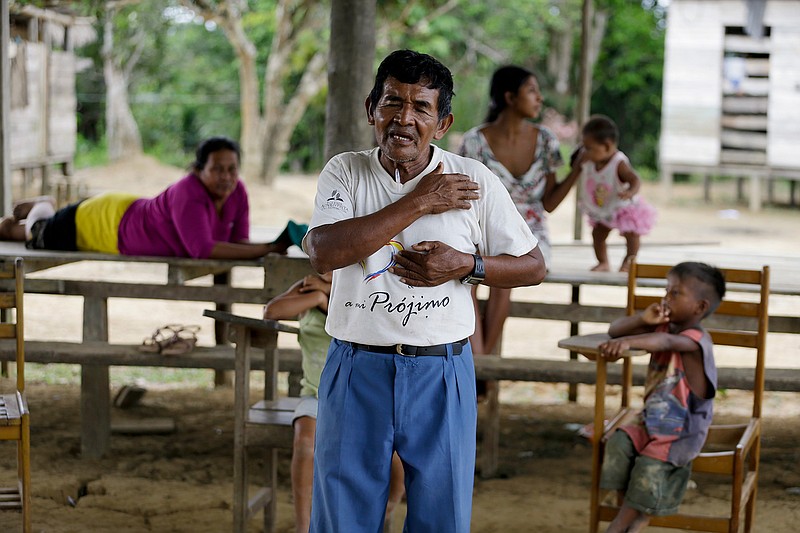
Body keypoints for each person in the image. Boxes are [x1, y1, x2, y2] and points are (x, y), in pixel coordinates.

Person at [303, 49, 546, 532]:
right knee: (342, 517)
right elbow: (324, 252)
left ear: (443, 123)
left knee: (441, 516)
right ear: (371, 107)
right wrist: (420, 202)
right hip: (356, 366)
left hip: (442, 370)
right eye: (393, 102)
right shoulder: (346, 172)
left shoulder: (474, 180)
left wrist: (467, 265)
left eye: (421, 108)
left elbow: (533, 265)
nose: (404, 119)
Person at [262, 271, 405, 533]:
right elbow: (272, 311)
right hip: (316, 394)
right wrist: (315, 295)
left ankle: (387, 509)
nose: (328, 269)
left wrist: (328, 299)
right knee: (305, 443)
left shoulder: (367, 287)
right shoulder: (307, 287)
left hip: (362, 395)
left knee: (395, 449)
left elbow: (370, 325)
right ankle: (303, 525)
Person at [0, 136, 304, 259]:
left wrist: (269, 246)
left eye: (232, 169)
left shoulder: (237, 191)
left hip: (125, 210)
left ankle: (47, 207)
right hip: (102, 224)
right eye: (217, 169)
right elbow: (202, 249)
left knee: (39, 228)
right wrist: (267, 248)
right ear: (199, 169)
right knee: (21, 232)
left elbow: (238, 240)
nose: (226, 177)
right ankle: (42, 207)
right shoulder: (188, 192)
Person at [458, 65, 582, 358]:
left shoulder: (546, 140)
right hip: (480, 223)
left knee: (505, 278)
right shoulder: (475, 141)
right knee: (470, 278)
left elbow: (549, 203)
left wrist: (577, 170)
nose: (540, 99)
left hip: (530, 230)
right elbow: (464, 196)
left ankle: (482, 364)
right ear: (510, 97)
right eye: (532, 91)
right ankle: (481, 365)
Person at [596, 262, 726, 533]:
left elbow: (666, 344)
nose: (666, 298)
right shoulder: (663, 328)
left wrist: (630, 343)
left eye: (675, 293)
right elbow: (615, 330)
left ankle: (622, 523)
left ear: (700, 307)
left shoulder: (696, 340)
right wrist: (643, 319)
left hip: (681, 431)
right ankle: (635, 509)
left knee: (649, 465)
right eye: (666, 290)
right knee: (619, 442)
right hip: (651, 421)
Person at [576, 115, 657, 272]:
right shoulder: (591, 162)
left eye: (589, 148)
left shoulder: (618, 163)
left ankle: (629, 260)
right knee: (598, 234)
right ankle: (603, 262)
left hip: (622, 207)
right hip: (605, 208)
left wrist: (630, 192)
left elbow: (635, 179)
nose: (585, 151)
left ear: (606, 146)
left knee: (632, 235)